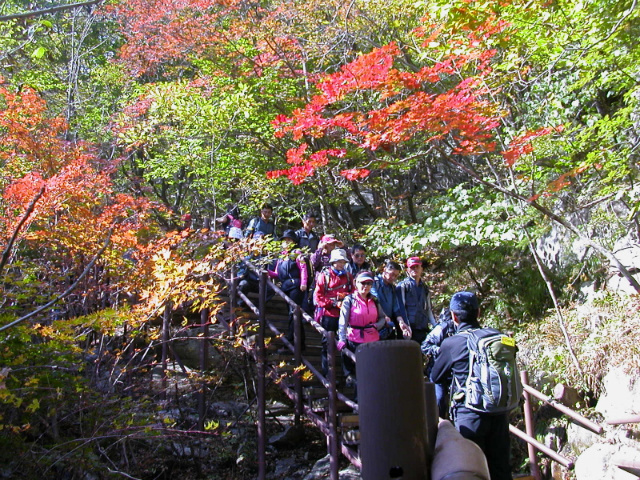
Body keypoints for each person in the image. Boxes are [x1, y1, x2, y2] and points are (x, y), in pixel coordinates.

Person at [431, 292, 513, 480]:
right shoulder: (498, 336)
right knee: (501, 466)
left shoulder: (452, 343)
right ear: (478, 312)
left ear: (454, 316)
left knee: (472, 468)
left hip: (469, 413)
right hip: (499, 410)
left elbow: (436, 376)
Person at [337, 271, 387, 390]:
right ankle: (357, 402)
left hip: (373, 340)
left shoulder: (374, 300)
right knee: (358, 372)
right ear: (356, 283)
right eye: (363, 283)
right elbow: (343, 321)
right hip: (354, 339)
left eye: (369, 283)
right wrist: (342, 339)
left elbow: (382, 318)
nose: (366, 286)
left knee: (371, 371)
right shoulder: (349, 300)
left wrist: (376, 326)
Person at [313, 248, 353, 376]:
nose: (341, 264)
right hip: (329, 315)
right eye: (339, 261)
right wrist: (333, 303)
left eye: (343, 261)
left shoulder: (348, 276)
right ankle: (328, 373)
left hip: (345, 315)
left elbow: (353, 293)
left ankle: (348, 374)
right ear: (333, 262)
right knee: (327, 343)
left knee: (345, 342)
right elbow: (318, 296)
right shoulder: (324, 276)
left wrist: (344, 297)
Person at [274, 229, 310, 351]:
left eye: (289, 240)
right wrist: (264, 272)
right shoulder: (282, 257)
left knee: (293, 314)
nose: (286, 242)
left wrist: (304, 282)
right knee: (294, 315)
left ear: (294, 242)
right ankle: (301, 343)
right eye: (285, 240)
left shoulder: (297, 253)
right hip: (286, 288)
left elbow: (303, 268)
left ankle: (291, 342)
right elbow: (276, 273)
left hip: (296, 286)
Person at [421, 307, 455, 418]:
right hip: (439, 369)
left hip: (454, 371)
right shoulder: (441, 329)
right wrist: (440, 350)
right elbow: (425, 346)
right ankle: (438, 423)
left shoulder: (463, 330)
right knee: (439, 399)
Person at [396, 256, 436, 344]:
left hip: (422, 328)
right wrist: (406, 327)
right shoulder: (402, 286)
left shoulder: (425, 288)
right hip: (408, 331)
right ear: (408, 270)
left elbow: (428, 308)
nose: (415, 269)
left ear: (421, 268)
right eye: (412, 267)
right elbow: (401, 308)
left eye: (417, 266)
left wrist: (435, 326)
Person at [371, 260, 412, 340]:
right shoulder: (374, 283)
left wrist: (401, 322)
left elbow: (395, 307)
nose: (393, 278)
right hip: (376, 323)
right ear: (385, 270)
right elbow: (375, 300)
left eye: (396, 276)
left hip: (388, 325)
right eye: (392, 274)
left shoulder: (392, 288)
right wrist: (384, 316)